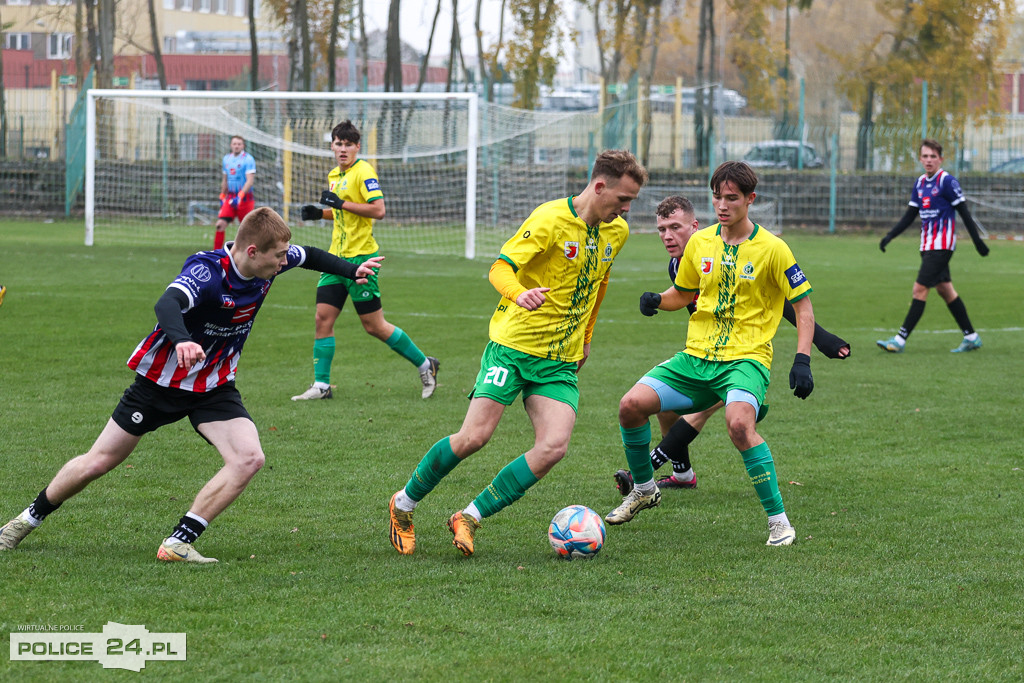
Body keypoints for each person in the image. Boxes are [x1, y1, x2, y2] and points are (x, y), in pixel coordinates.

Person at [0, 208, 383, 563]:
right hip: (159, 385)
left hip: (214, 387)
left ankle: (179, 543)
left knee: (249, 458)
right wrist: (182, 339)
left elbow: (312, 255)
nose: (285, 261)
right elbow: (167, 303)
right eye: (279, 256)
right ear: (252, 251)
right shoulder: (207, 271)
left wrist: (353, 270)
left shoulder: (271, 261)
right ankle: (25, 521)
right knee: (97, 462)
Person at [387, 149, 648, 557]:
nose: (627, 209)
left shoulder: (617, 232)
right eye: (623, 199)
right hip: (512, 348)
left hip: (559, 360)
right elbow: (500, 267)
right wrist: (519, 292)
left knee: (553, 447)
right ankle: (403, 505)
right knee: (474, 437)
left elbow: (600, 285)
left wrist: (588, 337)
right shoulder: (549, 219)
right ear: (600, 187)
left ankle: (469, 516)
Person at [607, 161, 814, 547]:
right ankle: (645, 489)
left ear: (750, 200)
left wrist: (802, 360)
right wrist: (658, 301)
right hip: (696, 359)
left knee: (738, 426)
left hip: (745, 361)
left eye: (731, 198)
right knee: (630, 405)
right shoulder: (701, 244)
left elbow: (802, 307)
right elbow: (683, 294)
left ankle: (779, 522)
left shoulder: (774, 249)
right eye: (717, 197)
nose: (722, 204)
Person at [614, 195, 849, 495]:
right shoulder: (679, 265)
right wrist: (659, 300)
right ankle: (682, 473)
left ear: (695, 227)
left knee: (705, 411)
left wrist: (821, 340)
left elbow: (784, 300)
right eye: (661, 230)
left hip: (744, 354)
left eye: (675, 227)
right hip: (706, 352)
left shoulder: (727, 249)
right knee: (664, 408)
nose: (667, 236)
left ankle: (648, 469)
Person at [293, 120, 439, 401]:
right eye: (338, 143)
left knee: (375, 326)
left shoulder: (364, 172)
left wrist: (339, 204)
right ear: (332, 146)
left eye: (348, 144)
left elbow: (378, 210)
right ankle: (321, 386)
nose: (343, 149)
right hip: (334, 260)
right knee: (322, 318)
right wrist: (319, 214)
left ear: (358, 146)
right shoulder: (334, 174)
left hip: (362, 261)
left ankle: (426, 365)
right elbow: (342, 213)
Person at [877, 138, 989, 354]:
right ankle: (972, 337)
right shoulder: (920, 183)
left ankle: (899, 340)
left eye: (933, 156)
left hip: (942, 246)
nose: (929, 160)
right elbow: (910, 216)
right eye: (925, 156)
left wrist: (978, 243)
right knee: (945, 290)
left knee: (919, 289)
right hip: (927, 246)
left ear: (941, 159)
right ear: (920, 159)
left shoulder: (947, 182)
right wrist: (889, 236)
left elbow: (965, 213)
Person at [214, 135, 257, 250]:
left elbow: (250, 181)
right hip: (230, 198)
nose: (236, 146)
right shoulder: (226, 159)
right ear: (231, 145)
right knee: (220, 224)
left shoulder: (248, 159)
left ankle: (251, 253)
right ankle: (215, 254)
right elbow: (225, 179)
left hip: (245, 199)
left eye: (239, 144)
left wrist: (240, 197)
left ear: (243, 146)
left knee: (248, 231)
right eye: (234, 144)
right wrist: (222, 195)